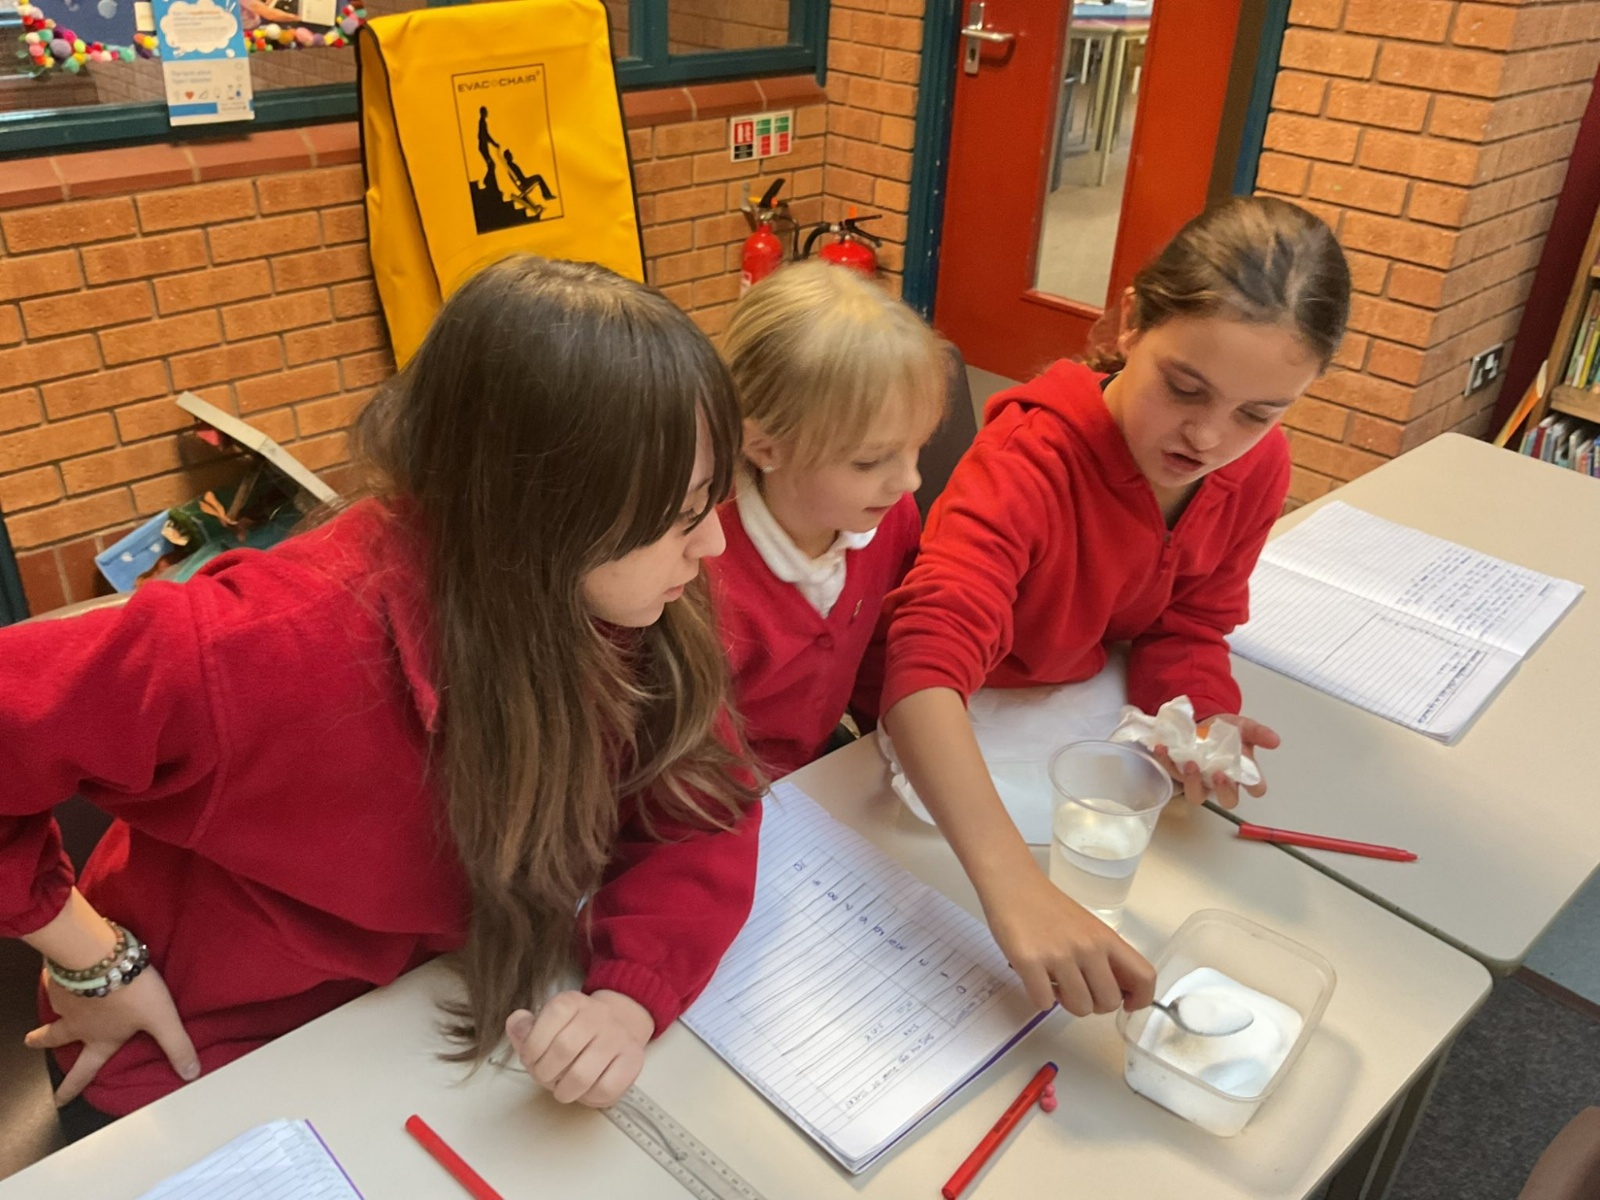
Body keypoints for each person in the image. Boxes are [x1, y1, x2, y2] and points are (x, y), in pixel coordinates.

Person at [0, 255, 760, 1135]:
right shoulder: (267, 643)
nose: (713, 545)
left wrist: (631, 994)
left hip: (422, 1013)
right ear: (539, 513)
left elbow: (699, 803)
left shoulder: (632, 600)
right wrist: (94, 962)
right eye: (680, 515)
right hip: (201, 1052)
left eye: (711, 503)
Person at [878, 197, 1351, 1019]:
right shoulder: (1030, 462)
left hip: (1077, 727)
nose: (1207, 438)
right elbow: (922, 658)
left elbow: (1188, 620)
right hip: (959, 745)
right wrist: (1016, 889)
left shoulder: (1254, 468)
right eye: (1184, 388)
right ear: (1131, 322)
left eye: (1257, 413)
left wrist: (1197, 717)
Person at [711, 260, 947, 779]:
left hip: (819, 772)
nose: (909, 481)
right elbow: (688, 759)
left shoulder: (889, 518)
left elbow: (884, 648)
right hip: (726, 796)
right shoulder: (700, 571)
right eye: (869, 461)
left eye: (917, 446)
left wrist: (901, 748)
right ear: (765, 447)